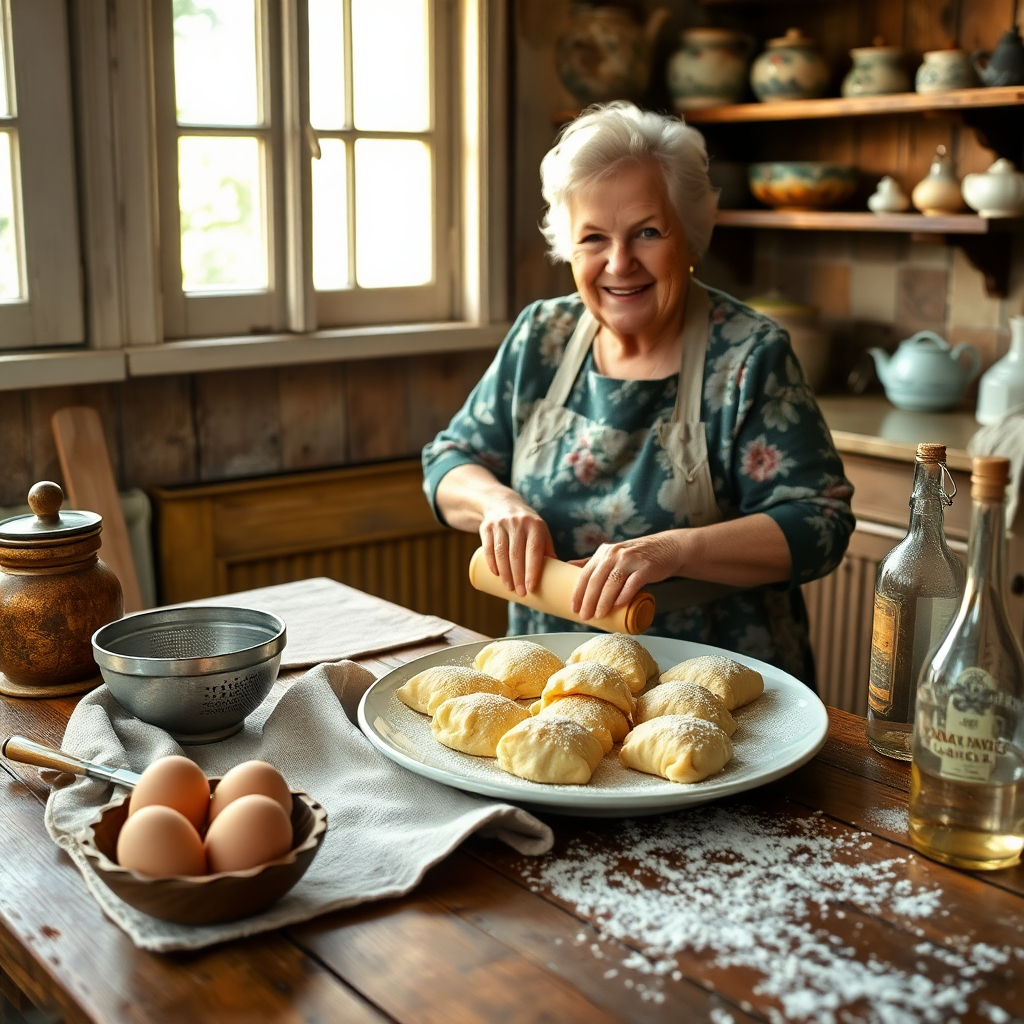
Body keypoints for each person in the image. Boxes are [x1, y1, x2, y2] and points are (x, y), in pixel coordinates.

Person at [422, 101, 854, 686]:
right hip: (550, 679)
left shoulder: (750, 355)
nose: (619, 263)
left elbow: (819, 522)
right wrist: (498, 504)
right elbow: (449, 459)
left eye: (647, 232)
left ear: (690, 236)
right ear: (569, 247)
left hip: (711, 683)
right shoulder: (541, 337)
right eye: (593, 238)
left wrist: (672, 550)